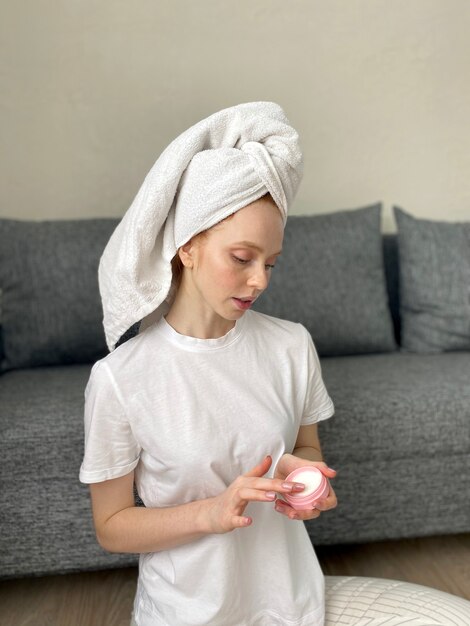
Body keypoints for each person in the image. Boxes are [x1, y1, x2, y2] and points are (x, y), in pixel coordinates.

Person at [80, 102, 337, 626]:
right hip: (184, 613)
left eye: (270, 263)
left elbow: (306, 448)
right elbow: (111, 525)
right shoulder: (121, 379)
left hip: (290, 606)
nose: (260, 280)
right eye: (242, 258)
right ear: (188, 247)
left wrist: (305, 477)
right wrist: (212, 514)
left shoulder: (291, 345)